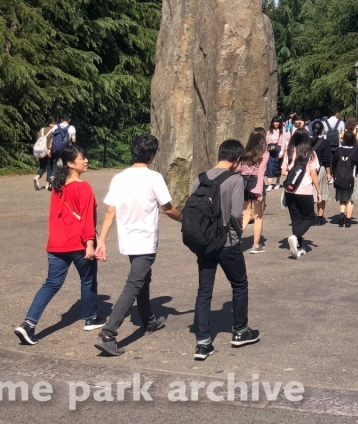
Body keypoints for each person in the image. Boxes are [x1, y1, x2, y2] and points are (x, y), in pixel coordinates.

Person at [93, 135, 181, 356]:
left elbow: (110, 211)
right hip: (145, 240)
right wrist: (187, 220)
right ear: (152, 155)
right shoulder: (154, 177)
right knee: (134, 283)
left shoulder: (120, 178)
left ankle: (148, 319)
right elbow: (168, 209)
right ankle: (108, 334)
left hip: (128, 239)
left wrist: (101, 240)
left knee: (142, 278)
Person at [15, 145, 103, 344]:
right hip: (79, 243)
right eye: (83, 157)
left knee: (51, 284)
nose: (86, 160)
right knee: (88, 280)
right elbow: (87, 218)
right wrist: (90, 243)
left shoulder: (57, 186)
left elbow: (55, 216)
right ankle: (90, 318)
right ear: (71, 164)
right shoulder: (83, 187)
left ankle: (28, 324)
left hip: (56, 244)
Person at [191, 139, 260, 361]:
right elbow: (237, 213)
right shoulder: (235, 180)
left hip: (204, 242)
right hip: (227, 241)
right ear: (237, 159)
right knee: (239, 284)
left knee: (204, 291)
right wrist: (238, 234)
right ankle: (240, 331)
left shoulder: (199, 178)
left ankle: (202, 343)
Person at [283, 129, 321, 259]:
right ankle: (295, 237)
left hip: (290, 190)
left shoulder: (288, 152)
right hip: (304, 189)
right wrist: (319, 191)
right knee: (309, 217)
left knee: (296, 219)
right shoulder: (311, 153)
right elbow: (314, 174)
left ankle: (298, 247)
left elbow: (283, 171)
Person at [239, 128, 270, 253]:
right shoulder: (264, 153)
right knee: (258, 216)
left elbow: (239, 170)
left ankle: (232, 240)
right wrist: (259, 190)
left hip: (244, 183)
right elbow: (261, 173)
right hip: (256, 182)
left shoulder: (245, 152)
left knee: (245, 215)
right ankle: (256, 245)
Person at [332, 130, 358, 227]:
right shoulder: (355, 152)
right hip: (351, 177)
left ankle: (342, 213)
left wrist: (334, 175)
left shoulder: (338, 151)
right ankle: (348, 220)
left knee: (342, 197)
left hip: (339, 177)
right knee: (350, 199)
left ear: (344, 139)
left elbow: (333, 164)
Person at [311, 120, 333, 225]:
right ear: (322, 130)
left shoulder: (308, 142)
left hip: (308, 170)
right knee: (321, 193)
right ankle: (320, 217)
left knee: (308, 193)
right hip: (320, 169)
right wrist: (329, 174)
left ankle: (309, 215)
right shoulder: (325, 143)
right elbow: (327, 160)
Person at [47, 114, 76, 191]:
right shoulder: (71, 128)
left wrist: (50, 149)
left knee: (56, 165)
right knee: (65, 166)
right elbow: (73, 140)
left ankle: (52, 177)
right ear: (69, 120)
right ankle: (63, 183)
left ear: (61, 119)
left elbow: (52, 138)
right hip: (66, 149)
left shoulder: (56, 127)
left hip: (56, 149)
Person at [265, 117, 289, 191]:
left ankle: (278, 182)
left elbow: (284, 141)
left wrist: (282, 151)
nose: (276, 123)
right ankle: (269, 184)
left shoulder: (282, 131)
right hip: (270, 150)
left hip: (278, 149)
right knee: (269, 166)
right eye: (275, 122)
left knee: (278, 166)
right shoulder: (269, 131)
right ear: (272, 122)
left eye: (278, 122)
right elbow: (267, 140)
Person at [33, 117, 57, 191]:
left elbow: (38, 138)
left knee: (42, 167)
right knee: (50, 167)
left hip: (41, 151)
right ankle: (48, 184)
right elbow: (53, 141)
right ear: (54, 123)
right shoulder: (54, 130)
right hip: (49, 151)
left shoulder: (42, 130)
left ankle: (36, 177)